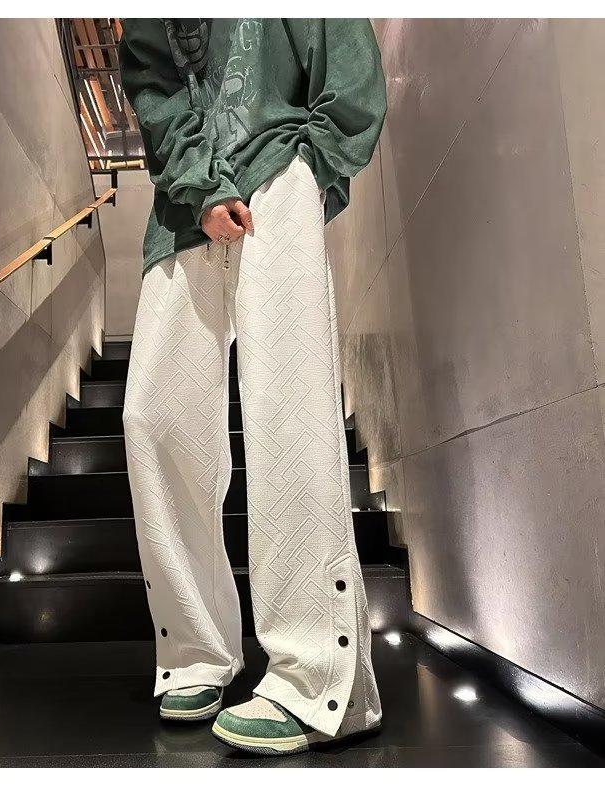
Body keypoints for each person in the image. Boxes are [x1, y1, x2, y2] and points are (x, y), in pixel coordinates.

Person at [119, 18, 386, 756]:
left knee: (287, 407)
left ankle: (316, 673)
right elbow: (154, 81)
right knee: (153, 416)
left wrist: (309, 170)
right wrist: (200, 186)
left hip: (277, 170)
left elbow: (348, 64)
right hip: (182, 210)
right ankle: (195, 649)